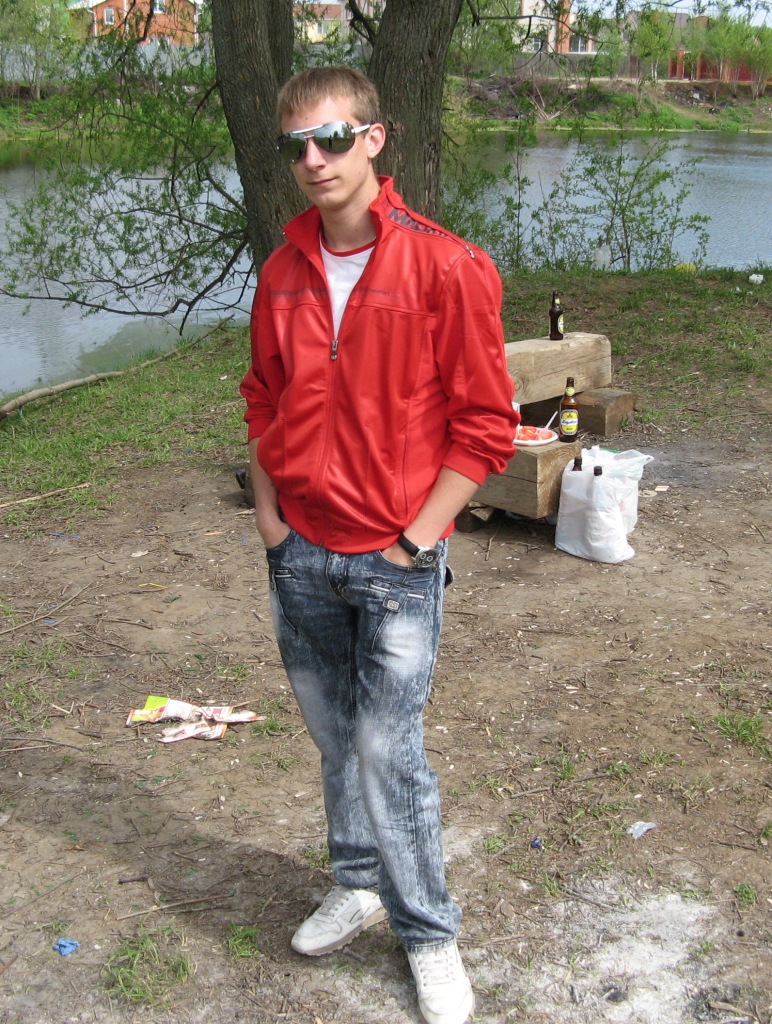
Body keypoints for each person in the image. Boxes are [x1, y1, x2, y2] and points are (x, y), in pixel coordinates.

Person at [240, 66, 519, 1024]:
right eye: (296, 146)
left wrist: (415, 538)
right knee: (336, 742)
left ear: (374, 138)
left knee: (386, 750)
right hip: (300, 553)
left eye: (331, 138)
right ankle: (357, 882)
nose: (313, 160)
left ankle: (429, 935)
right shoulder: (283, 272)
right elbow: (264, 399)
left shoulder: (448, 267)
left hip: (394, 559)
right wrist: (270, 515)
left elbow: (486, 426)